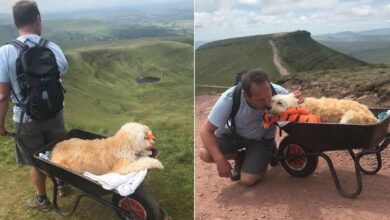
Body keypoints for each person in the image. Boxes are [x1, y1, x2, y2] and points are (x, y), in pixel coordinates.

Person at [0, 0, 68, 211]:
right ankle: (63, 184)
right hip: (54, 113)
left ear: (15, 22)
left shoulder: (4, 53)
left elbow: (2, 95)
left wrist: (0, 125)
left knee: (35, 161)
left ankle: (42, 200)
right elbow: (61, 73)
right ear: (38, 19)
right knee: (59, 151)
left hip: (26, 119)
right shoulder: (52, 47)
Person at [199, 69, 303, 186]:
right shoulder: (229, 98)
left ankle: (268, 151)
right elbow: (206, 131)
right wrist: (219, 160)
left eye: (268, 97)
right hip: (236, 135)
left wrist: (300, 102)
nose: (267, 103)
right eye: (260, 100)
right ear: (246, 95)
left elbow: (297, 115)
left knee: (247, 180)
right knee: (205, 153)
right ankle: (240, 156)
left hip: (261, 140)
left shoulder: (279, 93)